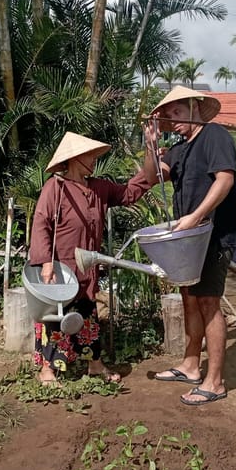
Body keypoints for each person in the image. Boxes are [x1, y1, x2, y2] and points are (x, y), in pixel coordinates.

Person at [28, 131, 153, 385]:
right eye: (89, 156)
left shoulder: (98, 188)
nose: (94, 161)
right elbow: (41, 222)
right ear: (74, 159)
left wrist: (150, 162)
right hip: (62, 266)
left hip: (87, 267)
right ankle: (48, 370)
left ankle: (95, 365)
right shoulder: (56, 187)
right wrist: (46, 262)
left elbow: (128, 193)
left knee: (87, 313)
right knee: (55, 316)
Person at [143, 85, 236, 406]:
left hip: (213, 235)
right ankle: (190, 365)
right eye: (168, 115)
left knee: (209, 304)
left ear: (194, 106)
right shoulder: (179, 148)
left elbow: (224, 179)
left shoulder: (215, 136)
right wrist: (150, 146)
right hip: (188, 240)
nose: (173, 118)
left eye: (176, 111)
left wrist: (197, 216)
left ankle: (215, 382)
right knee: (189, 299)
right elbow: (152, 176)